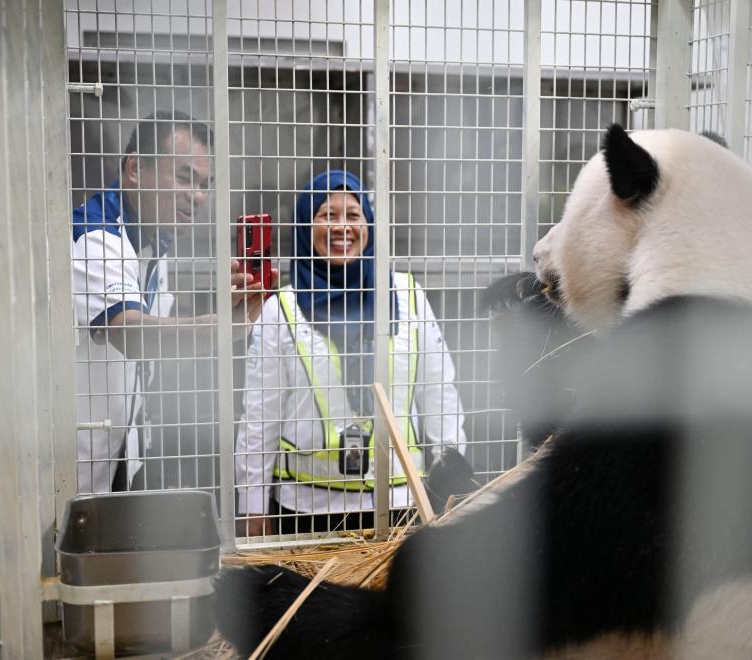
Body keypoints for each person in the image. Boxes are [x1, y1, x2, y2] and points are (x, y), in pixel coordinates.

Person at [234, 170, 468, 536]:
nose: (342, 227)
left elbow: (440, 397)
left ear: (369, 225)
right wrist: (252, 509)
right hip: (306, 510)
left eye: (353, 215)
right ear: (305, 227)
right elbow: (259, 419)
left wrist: (452, 491)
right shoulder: (282, 309)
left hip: (400, 505)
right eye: (327, 215)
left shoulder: (409, 298)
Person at [72, 111, 276, 494]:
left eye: (204, 184)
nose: (197, 196)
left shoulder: (153, 243)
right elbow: (132, 335)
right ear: (135, 169)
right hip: (75, 466)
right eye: (184, 177)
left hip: (119, 455)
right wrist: (221, 325)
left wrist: (223, 310)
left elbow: (161, 342)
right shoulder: (97, 237)